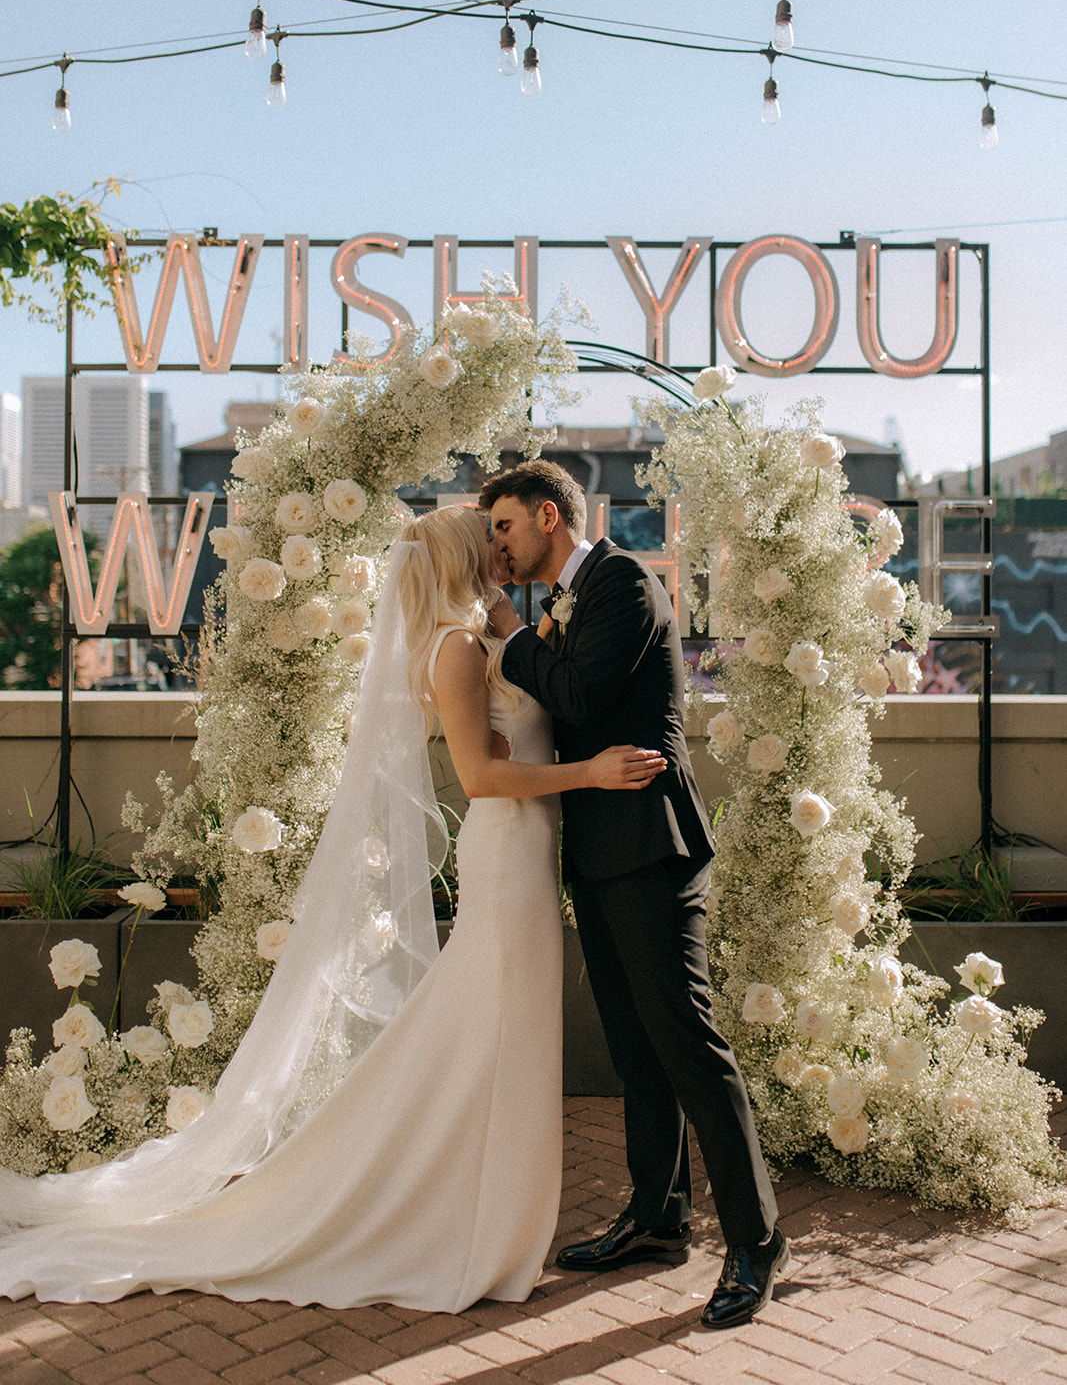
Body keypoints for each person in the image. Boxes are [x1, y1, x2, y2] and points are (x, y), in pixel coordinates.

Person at [0, 505, 665, 1311]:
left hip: (528, 849)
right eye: (486, 540)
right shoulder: (453, 651)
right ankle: (437, 1205)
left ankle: (465, 1194)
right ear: (457, 556)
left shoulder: (480, 636)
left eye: (503, 534)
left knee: (498, 1029)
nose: (500, 548)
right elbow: (484, 778)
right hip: (507, 850)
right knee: (496, 1026)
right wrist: (588, 775)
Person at [480, 460, 789, 1330]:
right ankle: (657, 1218)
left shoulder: (622, 583)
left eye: (505, 526)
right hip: (600, 848)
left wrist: (507, 634)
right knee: (636, 1047)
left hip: (652, 846)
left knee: (687, 1042)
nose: (497, 544)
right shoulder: (563, 606)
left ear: (548, 516)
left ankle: (757, 1239)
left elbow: (578, 691)